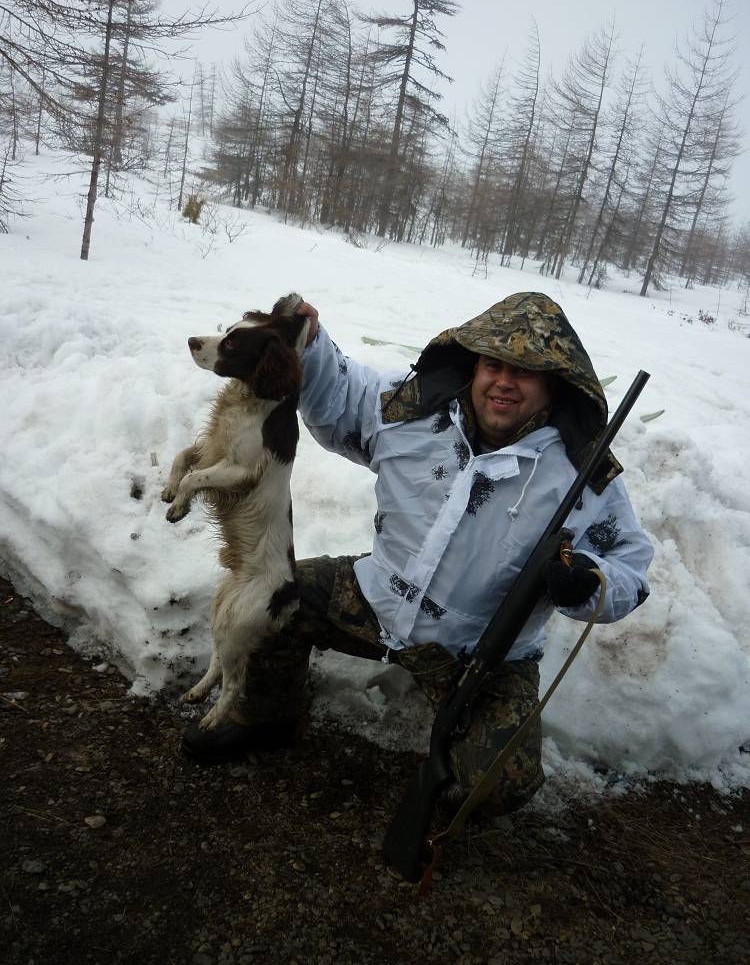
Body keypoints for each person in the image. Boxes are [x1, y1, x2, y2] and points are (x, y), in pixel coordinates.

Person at [182, 291, 653, 817]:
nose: (503, 382)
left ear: (553, 382)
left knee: (501, 781)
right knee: (273, 598)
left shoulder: (582, 474)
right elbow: (343, 396)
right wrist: (308, 341)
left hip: (481, 651)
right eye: (493, 365)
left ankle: (442, 808)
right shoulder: (415, 410)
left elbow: (629, 566)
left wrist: (590, 582)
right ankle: (264, 716)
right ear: (474, 366)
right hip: (378, 595)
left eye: (524, 372)